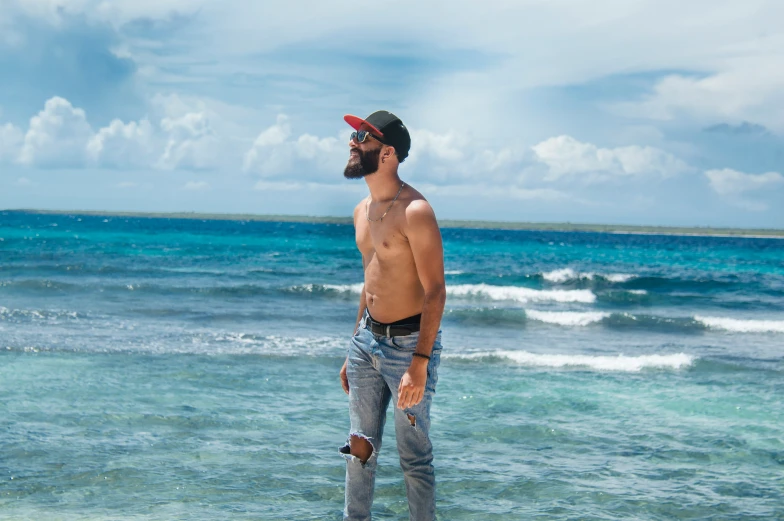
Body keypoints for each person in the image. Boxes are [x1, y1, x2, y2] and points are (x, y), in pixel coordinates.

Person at [338, 110, 446, 521]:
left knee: (414, 457)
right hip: (367, 343)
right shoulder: (360, 211)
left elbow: (436, 292)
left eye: (363, 136)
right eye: (353, 134)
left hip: (408, 347)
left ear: (388, 153)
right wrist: (353, 347)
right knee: (358, 450)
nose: (353, 142)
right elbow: (371, 281)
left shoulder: (415, 210)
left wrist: (419, 363)